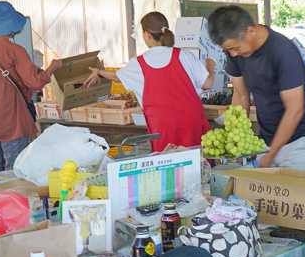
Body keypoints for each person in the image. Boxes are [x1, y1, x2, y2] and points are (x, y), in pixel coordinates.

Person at [206, 6, 305, 171]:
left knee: (296, 195)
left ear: (250, 31)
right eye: (228, 49)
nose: (233, 54)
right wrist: (238, 142)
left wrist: (271, 155)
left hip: (299, 141)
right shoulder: (237, 51)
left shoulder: (283, 52)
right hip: (267, 139)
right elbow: (240, 94)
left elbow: (295, 109)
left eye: (235, 48)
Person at [83, 12, 213, 152]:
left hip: (162, 124)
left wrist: (99, 72)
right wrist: (210, 66)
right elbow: (207, 84)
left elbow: (116, 76)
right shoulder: (184, 55)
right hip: (191, 119)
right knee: (197, 161)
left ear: (148, 35)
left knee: (168, 165)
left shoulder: (139, 63)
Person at [0, 1, 63, 172]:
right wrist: (53, 67)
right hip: (11, 122)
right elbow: (35, 82)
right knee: (15, 172)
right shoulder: (15, 51)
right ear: (11, 25)